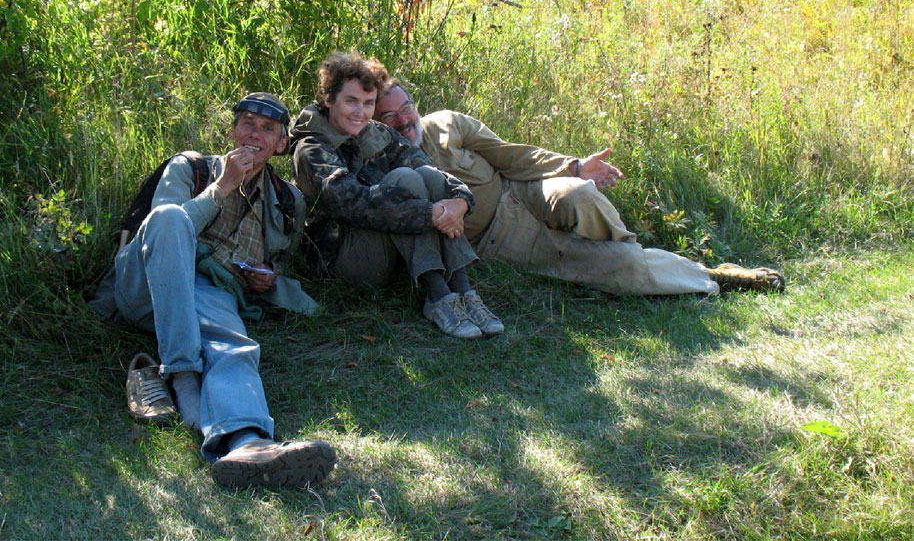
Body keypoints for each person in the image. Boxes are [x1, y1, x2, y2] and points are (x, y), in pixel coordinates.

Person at [89, 93, 337, 489]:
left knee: (230, 344)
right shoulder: (190, 169)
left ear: (280, 145)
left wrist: (269, 277)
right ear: (232, 130)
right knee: (170, 217)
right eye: (247, 124)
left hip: (208, 295)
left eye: (267, 129)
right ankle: (184, 375)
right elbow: (162, 233)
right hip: (145, 287)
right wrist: (222, 188)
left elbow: (287, 261)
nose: (254, 135)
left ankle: (248, 442)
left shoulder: (289, 201)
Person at [374, 80, 784, 296]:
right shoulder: (386, 164)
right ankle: (712, 275)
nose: (403, 120)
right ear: (375, 125)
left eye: (406, 106)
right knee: (616, 266)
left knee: (580, 195)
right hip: (500, 237)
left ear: (416, 103)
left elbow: (512, 156)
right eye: (388, 117)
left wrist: (574, 166)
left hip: (523, 191)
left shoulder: (445, 123)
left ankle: (639, 255)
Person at [289, 52, 504, 339]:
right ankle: (438, 295)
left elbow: (429, 167)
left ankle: (462, 291)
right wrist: (432, 214)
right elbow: (354, 204)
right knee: (403, 179)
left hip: (386, 243)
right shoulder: (311, 149)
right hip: (342, 258)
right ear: (329, 100)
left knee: (424, 176)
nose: (360, 113)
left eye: (368, 104)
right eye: (350, 101)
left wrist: (460, 201)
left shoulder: (375, 132)